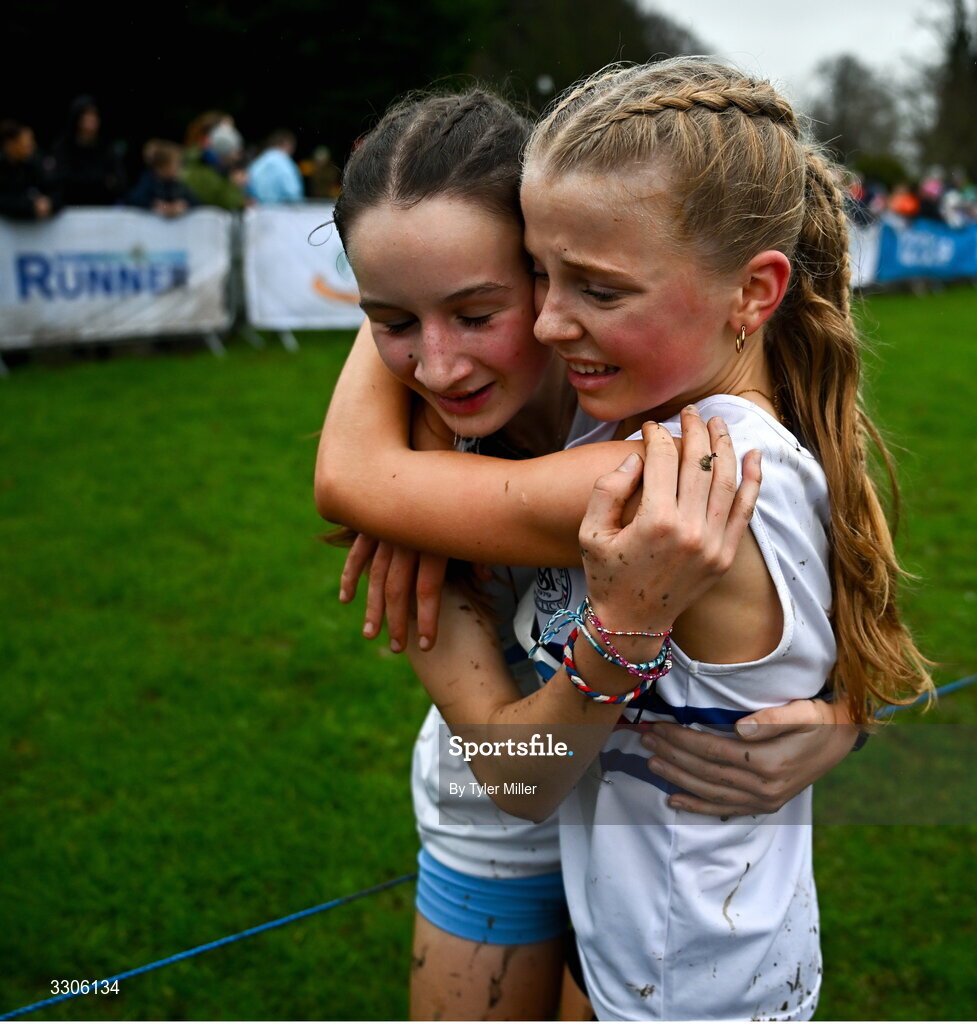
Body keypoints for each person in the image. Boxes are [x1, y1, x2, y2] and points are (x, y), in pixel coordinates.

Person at [317, 58, 931, 1020]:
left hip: (674, 962)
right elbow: (514, 778)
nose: (437, 362)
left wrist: (839, 714)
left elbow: (349, 481)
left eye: (480, 308)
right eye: (392, 321)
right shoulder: (607, 412)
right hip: (556, 863)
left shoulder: (670, 461)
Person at [51, 95, 126, 206]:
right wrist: (101, 181)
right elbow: (62, 182)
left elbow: (120, 182)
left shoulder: (106, 148)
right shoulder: (63, 147)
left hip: (103, 210)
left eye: (94, 116)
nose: (92, 120)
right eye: (87, 116)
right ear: (77, 119)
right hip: (71, 210)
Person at [0, 119, 62, 221]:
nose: (32, 146)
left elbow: (57, 189)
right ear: (10, 144)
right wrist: (30, 206)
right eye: (25, 143)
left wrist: (49, 203)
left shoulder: (36, 164)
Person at [125, 140, 200, 217]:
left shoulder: (177, 185)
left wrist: (183, 204)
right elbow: (132, 200)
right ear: (163, 166)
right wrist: (154, 205)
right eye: (176, 163)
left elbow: (197, 202)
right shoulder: (148, 182)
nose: (180, 167)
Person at [247, 128, 305, 203]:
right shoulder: (285, 162)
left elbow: (247, 184)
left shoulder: (258, 162)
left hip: (258, 210)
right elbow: (293, 192)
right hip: (281, 210)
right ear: (287, 144)